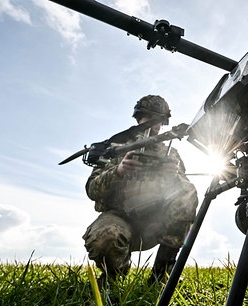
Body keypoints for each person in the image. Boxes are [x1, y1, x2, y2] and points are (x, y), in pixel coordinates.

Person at [82, 95, 198, 284]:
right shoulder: (116, 149)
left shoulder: (171, 154)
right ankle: (114, 278)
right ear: (138, 118)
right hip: (119, 217)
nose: (153, 125)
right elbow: (92, 190)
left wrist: (173, 176)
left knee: (187, 194)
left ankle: (161, 277)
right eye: (147, 118)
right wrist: (118, 171)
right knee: (105, 238)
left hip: (155, 223)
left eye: (158, 121)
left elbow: (186, 195)